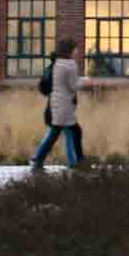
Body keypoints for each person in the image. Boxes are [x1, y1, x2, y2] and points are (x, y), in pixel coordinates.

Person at [30, 39, 85, 170]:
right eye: (75, 48)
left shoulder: (54, 65)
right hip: (63, 105)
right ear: (69, 50)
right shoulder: (69, 65)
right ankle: (75, 163)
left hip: (55, 103)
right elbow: (72, 86)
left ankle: (38, 159)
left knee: (61, 132)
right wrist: (84, 81)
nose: (77, 51)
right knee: (68, 132)